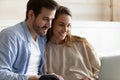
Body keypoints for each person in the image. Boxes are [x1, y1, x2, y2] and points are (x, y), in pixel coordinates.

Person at [0, 0, 63, 80]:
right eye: (45, 19)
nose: (49, 25)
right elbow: (1, 73)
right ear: (31, 15)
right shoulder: (11, 36)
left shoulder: (41, 37)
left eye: (51, 20)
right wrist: (34, 78)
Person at [45, 5, 101, 80]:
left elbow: (100, 70)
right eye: (61, 25)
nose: (65, 29)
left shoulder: (82, 43)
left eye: (68, 25)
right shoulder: (45, 49)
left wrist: (92, 79)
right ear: (52, 24)